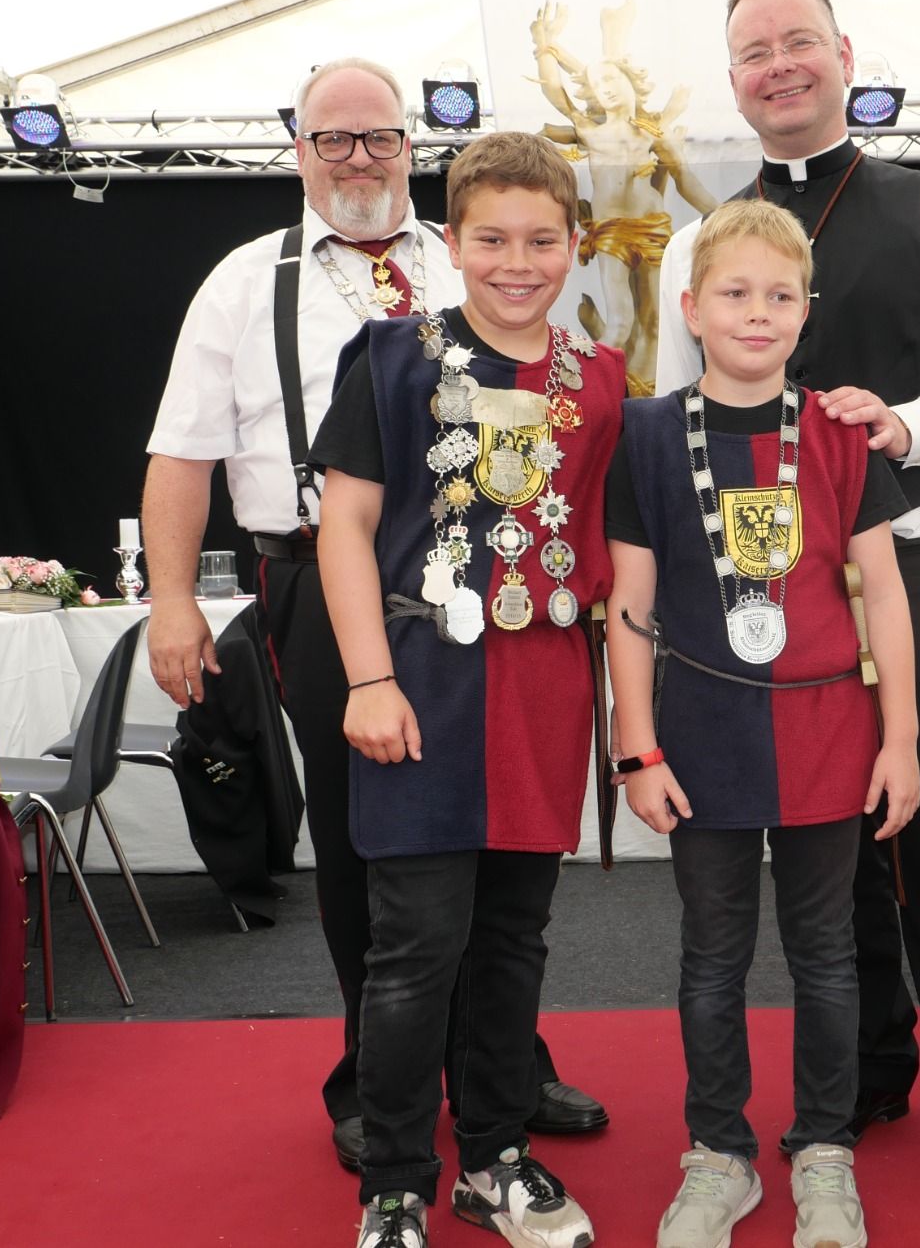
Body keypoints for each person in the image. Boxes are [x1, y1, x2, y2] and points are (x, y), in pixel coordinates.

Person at [141, 59, 603, 1180]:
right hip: (324, 580)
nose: (359, 157)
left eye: (380, 136)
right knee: (370, 841)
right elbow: (181, 451)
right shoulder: (242, 280)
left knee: (499, 840)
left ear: (412, 145)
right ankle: (371, 1074)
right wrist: (171, 601)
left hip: (492, 584)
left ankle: (500, 1068)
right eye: (333, 138)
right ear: (297, 148)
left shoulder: (477, 252)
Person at [657, 0, 920, 1225]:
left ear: (843, 54)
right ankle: (870, 1067)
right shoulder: (696, 241)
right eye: (752, 51)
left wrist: (901, 423)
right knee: (824, 845)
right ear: (732, 82)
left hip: (916, 563)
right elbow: (674, 417)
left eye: (796, 41)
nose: (776, 65)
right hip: (762, 593)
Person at [309, 130, 623, 1248]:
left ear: (576, 244)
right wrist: (367, 678)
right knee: (413, 950)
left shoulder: (603, 380)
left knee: (512, 942)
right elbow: (344, 524)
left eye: (541, 240)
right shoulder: (392, 356)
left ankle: (493, 1158)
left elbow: (620, 550)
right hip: (420, 684)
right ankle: (394, 1183)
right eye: (491, 239)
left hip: (542, 689)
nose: (516, 262)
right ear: (451, 242)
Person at [606, 199, 917, 1248]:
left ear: (805, 311)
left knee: (828, 954)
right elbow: (630, 604)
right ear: (691, 308)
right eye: (734, 292)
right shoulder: (647, 433)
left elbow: (883, 592)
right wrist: (636, 746)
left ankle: (824, 1149)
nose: (757, 312)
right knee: (711, 956)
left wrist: (902, 738)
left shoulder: (836, 432)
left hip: (830, 730)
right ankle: (718, 1154)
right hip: (701, 737)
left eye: (779, 295)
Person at [532, 0, 718, 395]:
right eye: (599, 86)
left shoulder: (654, 132)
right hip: (612, 234)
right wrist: (543, 45)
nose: (607, 90)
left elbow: (686, 182)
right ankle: (589, 395)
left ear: (632, 83)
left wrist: (727, 216)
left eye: (613, 81)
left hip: (654, 230)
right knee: (621, 320)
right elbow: (554, 91)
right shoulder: (590, 130)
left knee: (657, 320)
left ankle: (655, 394)